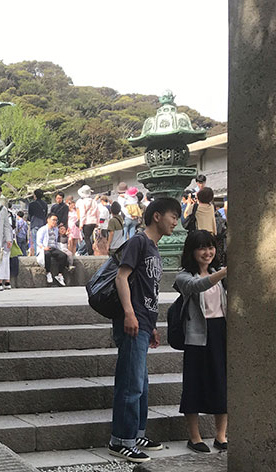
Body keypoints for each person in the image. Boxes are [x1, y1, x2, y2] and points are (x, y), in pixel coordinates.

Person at [107, 198, 181, 463]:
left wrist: (152, 326)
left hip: (143, 323)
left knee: (141, 384)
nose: (176, 222)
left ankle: (136, 434)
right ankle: (120, 440)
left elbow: (149, 291)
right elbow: (121, 277)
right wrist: (129, 313)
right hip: (132, 321)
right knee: (131, 383)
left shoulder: (153, 247)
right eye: (173, 216)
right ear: (157, 216)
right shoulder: (138, 242)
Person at [174, 230, 228, 453]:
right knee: (193, 385)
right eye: (202, 248)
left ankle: (221, 435)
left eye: (211, 247)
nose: (208, 252)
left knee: (222, 383)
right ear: (192, 251)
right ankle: (194, 437)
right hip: (196, 335)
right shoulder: (184, 277)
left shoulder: (219, 273)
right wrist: (223, 273)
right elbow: (198, 286)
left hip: (220, 331)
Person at [36, 214, 68, 286]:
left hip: (53, 248)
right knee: (47, 254)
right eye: (53, 220)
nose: (55, 222)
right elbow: (38, 241)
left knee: (63, 256)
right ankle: (48, 272)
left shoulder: (55, 229)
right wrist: (43, 247)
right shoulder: (42, 229)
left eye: (56, 220)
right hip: (45, 248)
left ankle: (60, 274)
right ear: (48, 220)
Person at [76, 185, 99, 255]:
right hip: (93, 221)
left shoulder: (82, 202)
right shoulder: (94, 201)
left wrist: (81, 224)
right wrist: (97, 223)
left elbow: (82, 214)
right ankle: (89, 252)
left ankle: (89, 251)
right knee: (90, 237)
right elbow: (97, 213)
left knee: (86, 238)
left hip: (86, 222)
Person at [27, 189, 48, 257]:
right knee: (43, 241)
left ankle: (37, 256)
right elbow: (46, 214)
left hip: (34, 224)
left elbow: (29, 216)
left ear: (35, 195)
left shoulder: (31, 204)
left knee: (36, 241)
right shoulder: (45, 204)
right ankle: (43, 255)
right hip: (43, 224)